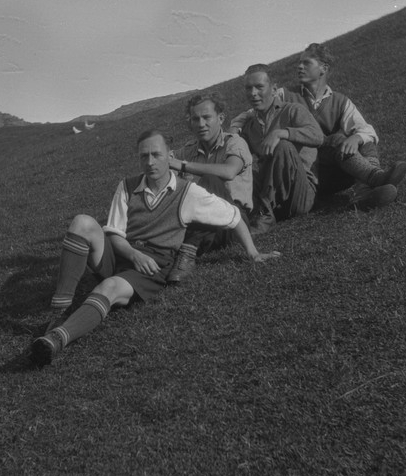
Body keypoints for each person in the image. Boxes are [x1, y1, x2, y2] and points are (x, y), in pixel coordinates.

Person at [32, 129, 280, 365]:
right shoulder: (127, 186)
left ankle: (55, 339)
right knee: (82, 222)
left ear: (170, 156)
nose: (150, 162)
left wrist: (254, 254)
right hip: (124, 252)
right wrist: (132, 253)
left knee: (108, 286)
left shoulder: (188, 193)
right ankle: (59, 312)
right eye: (144, 156)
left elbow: (233, 216)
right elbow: (115, 233)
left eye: (156, 155)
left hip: (152, 266)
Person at [231, 43, 406, 210]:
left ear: (324, 68)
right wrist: (234, 129)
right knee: (338, 139)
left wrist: (356, 138)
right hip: (303, 168)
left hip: (333, 167)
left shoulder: (339, 101)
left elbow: (366, 130)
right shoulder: (286, 94)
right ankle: (375, 180)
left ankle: (368, 187)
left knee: (365, 139)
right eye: (299, 63)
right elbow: (254, 110)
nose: (299, 67)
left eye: (306, 63)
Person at [165, 91, 254, 283]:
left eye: (207, 117)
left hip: (233, 225)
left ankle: (187, 254)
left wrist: (182, 165)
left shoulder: (235, 143)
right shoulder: (187, 150)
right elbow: (166, 165)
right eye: (195, 119)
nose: (201, 124)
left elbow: (230, 171)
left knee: (210, 181)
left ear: (221, 118)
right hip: (201, 224)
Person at [234, 63, 325, 235]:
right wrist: (233, 132)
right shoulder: (249, 126)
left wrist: (282, 133)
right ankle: (240, 216)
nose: (253, 94)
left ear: (274, 88)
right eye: (248, 88)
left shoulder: (292, 110)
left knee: (283, 146)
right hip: (274, 199)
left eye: (259, 87)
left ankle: (264, 214)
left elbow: (318, 136)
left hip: (300, 195)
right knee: (238, 164)